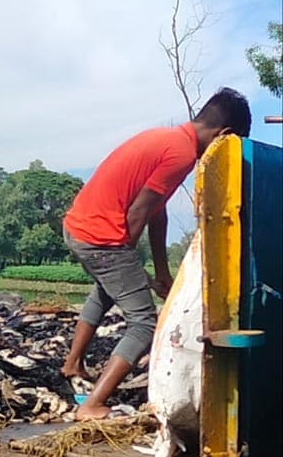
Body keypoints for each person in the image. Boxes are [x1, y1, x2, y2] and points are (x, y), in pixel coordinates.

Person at [61, 87, 251, 420]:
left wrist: (161, 272)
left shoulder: (169, 140)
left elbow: (156, 211)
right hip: (99, 236)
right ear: (223, 136)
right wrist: (128, 261)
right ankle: (91, 404)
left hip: (79, 226)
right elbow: (138, 214)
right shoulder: (181, 155)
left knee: (105, 293)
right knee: (145, 322)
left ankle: (72, 363)